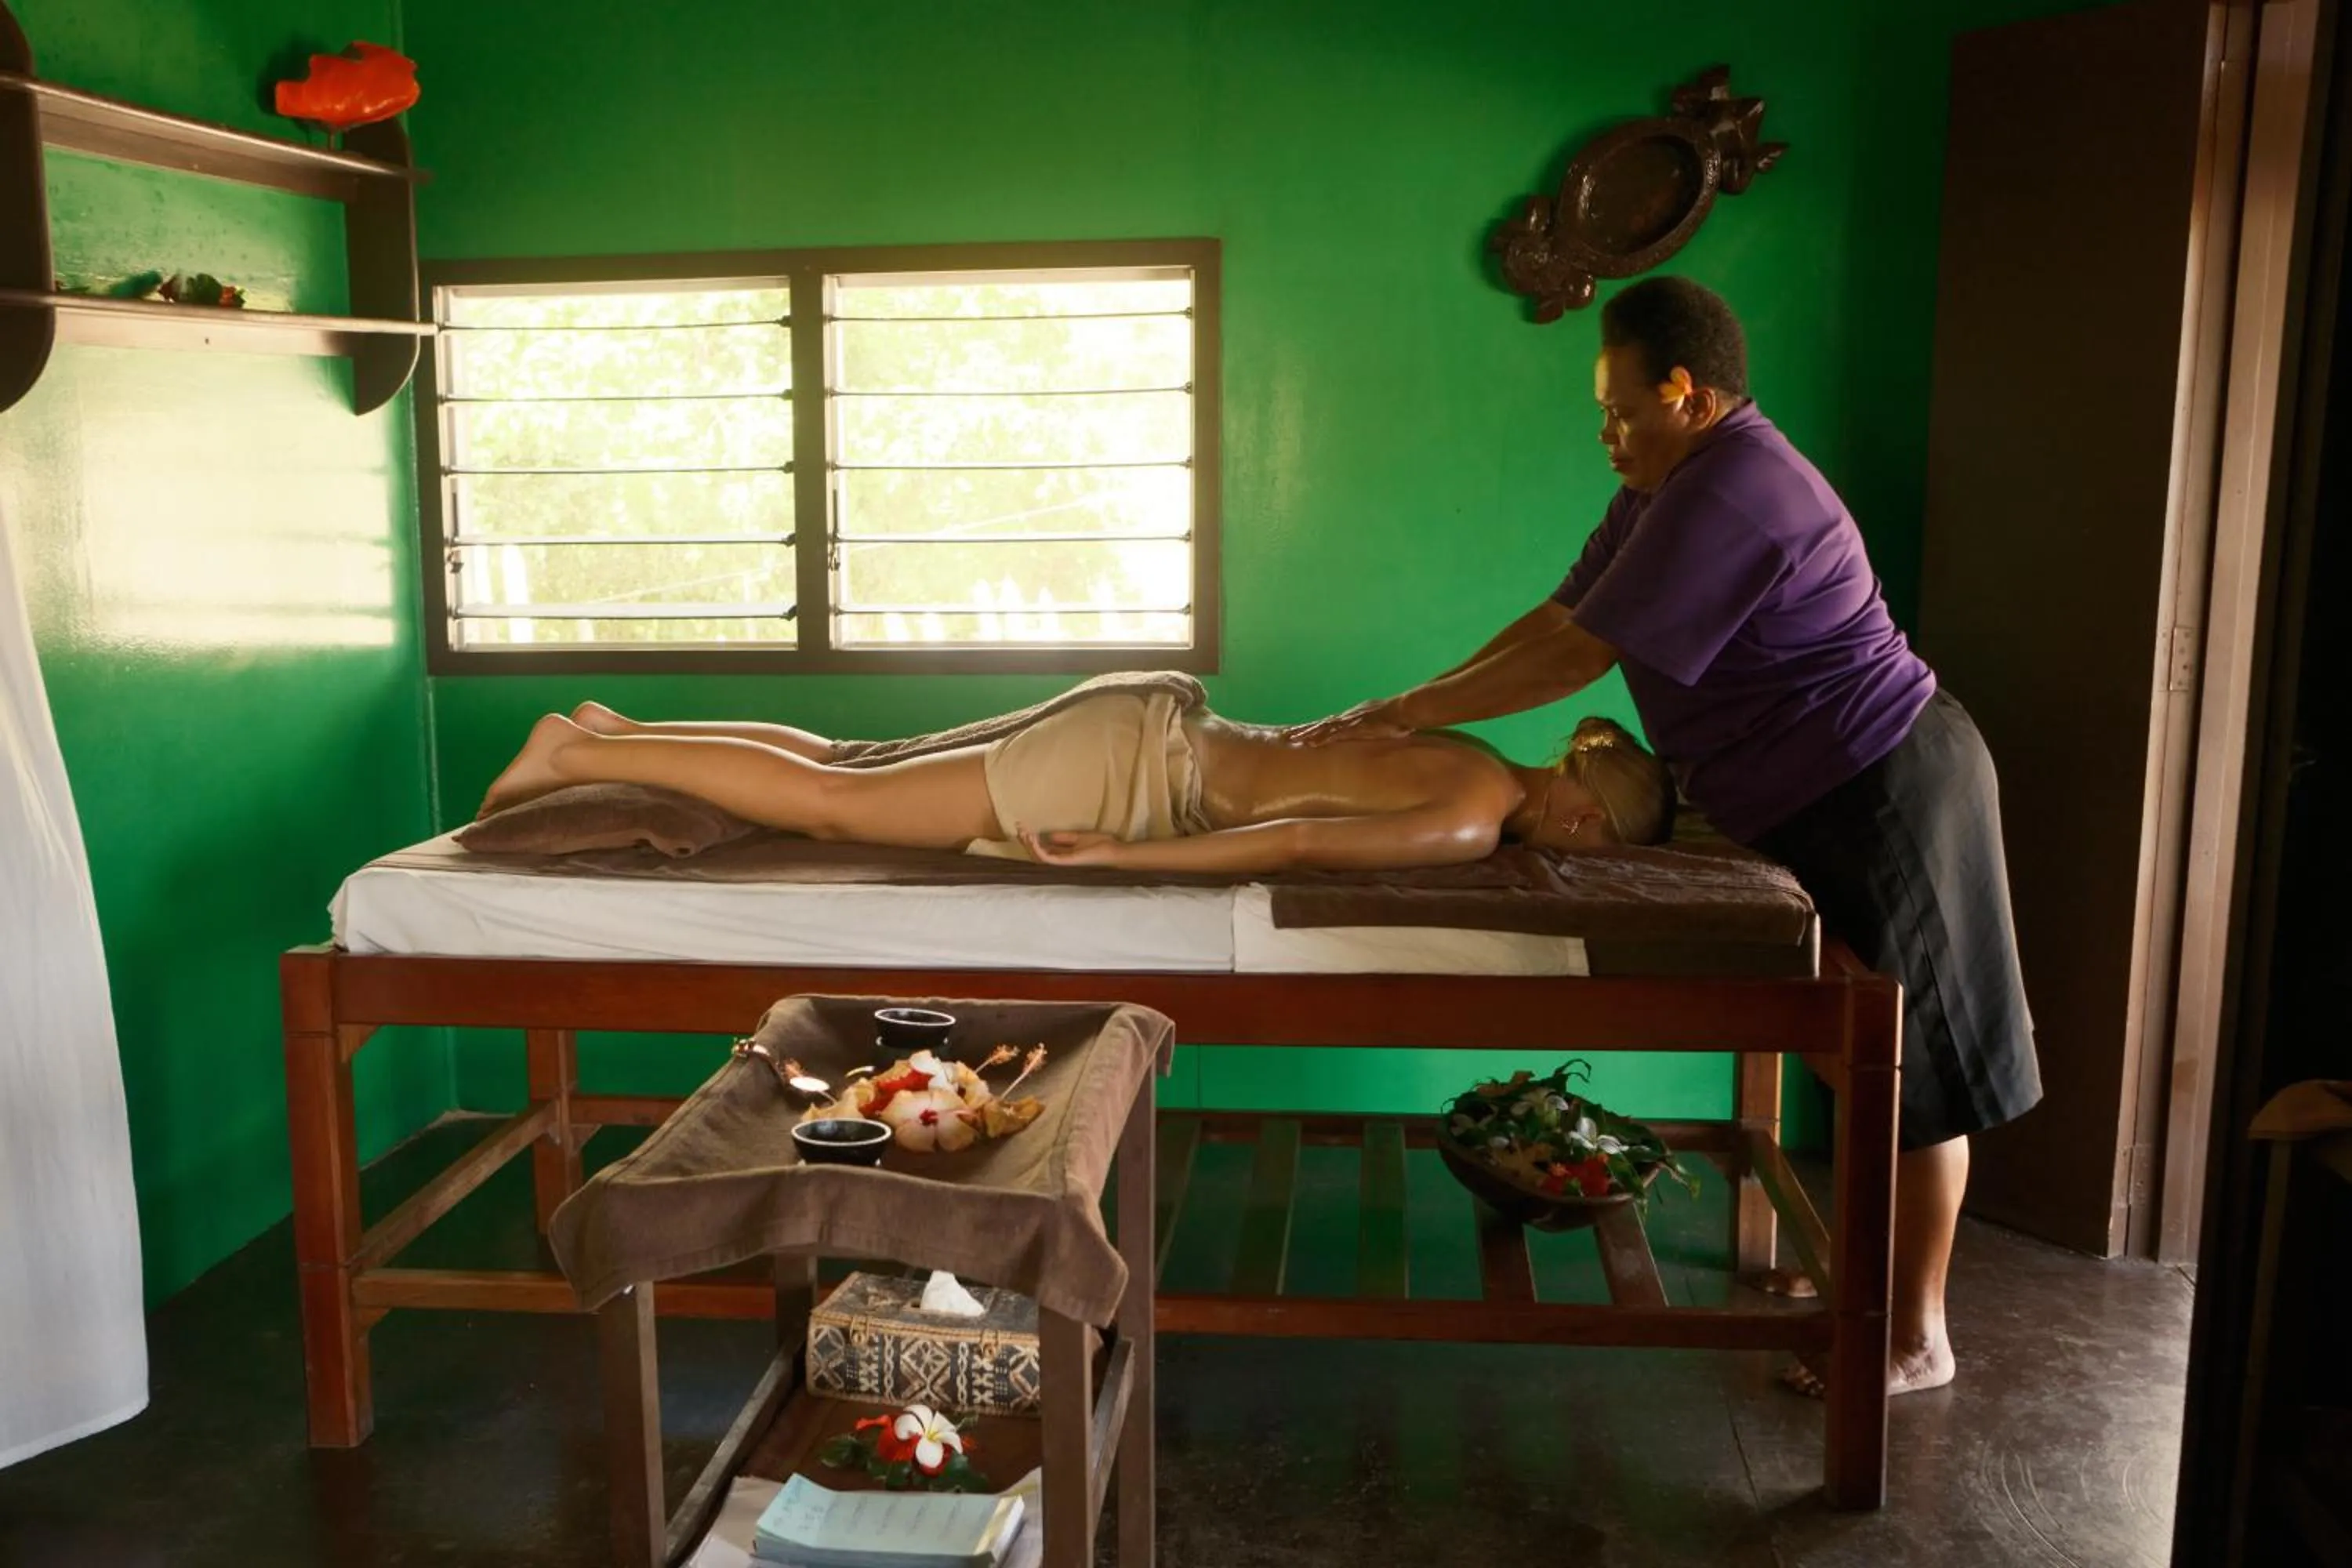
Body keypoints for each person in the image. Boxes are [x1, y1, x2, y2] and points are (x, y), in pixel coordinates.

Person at [1290, 276, 2041, 1398]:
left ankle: (1914, 1335)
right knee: (1851, 1041)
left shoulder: (1733, 490)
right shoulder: (1661, 482)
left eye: (1618, 409)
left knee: (1916, 1070)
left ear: (1684, 392)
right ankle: (1856, 1280)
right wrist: (1414, 697)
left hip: (1891, 784)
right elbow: (1559, 618)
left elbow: (1575, 664)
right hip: (1809, 793)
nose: (1606, 433)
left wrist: (1403, 715)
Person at [475, 689, 1675, 873]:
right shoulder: (1473, 819)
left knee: (845, 766)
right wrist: (1127, 856)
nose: (1578, 858)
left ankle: (613, 726)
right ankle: (572, 755)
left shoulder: (1473, 751)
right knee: (843, 804)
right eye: (1597, 847)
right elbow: (1291, 844)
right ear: (1583, 810)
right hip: (1124, 774)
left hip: (1146, 722)